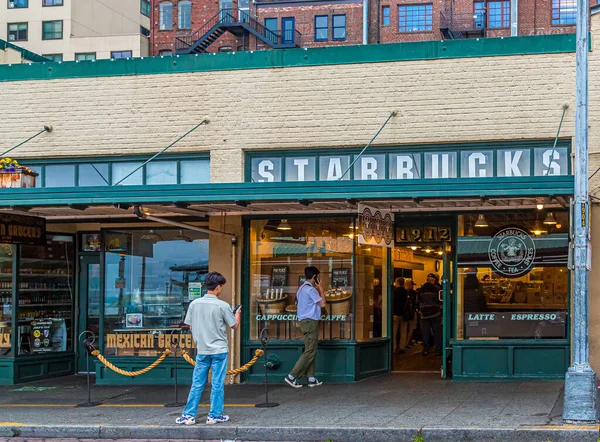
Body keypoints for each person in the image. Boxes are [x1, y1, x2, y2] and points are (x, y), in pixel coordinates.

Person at [176, 271, 241, 426]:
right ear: (218, 287)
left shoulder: (194, 304)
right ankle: (214, 415)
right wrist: (237, 313)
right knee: (217, 384)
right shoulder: (223, 306)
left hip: (202, 349)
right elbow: (234, 325)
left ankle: (189, 415)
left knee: (197, 383)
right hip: (219, 350)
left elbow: (191, 326)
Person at [285, 266, 326, 388]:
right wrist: (321, 289)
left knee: (310, 349)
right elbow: (323, 303)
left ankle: (311, 378)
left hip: (303, 321)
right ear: (314, 277)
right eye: (317, 277)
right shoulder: (311, 290)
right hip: (310, 322)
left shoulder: (301, 289)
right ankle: (292, 376)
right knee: (310, 350)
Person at [418, 273, 442, 356]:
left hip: (424, 314)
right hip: (435, 313)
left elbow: (417, 302)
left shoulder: (421, 290)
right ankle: (438, 350)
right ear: (434, 280)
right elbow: (440, 301)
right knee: (436, 332)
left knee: (425, 332)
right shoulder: (437, 289)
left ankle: (425, 349)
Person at [392, 277, 407, 353]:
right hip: (404, 314)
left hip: (395, 314)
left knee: (394, 332)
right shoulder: (406, 291)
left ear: (397, 282)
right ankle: (402, 347)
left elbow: (392, 302)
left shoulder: (394, 291)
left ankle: (394, 348)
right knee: (403, 332)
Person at [404, 278, 418, 348]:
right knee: (411, 328)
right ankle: (408, 342)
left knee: (405, 329)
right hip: (411, 312)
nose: (413, 286)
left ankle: (404, 343)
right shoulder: (413, 293)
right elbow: (416, 302)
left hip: (404, 313)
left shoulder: (403, 292)